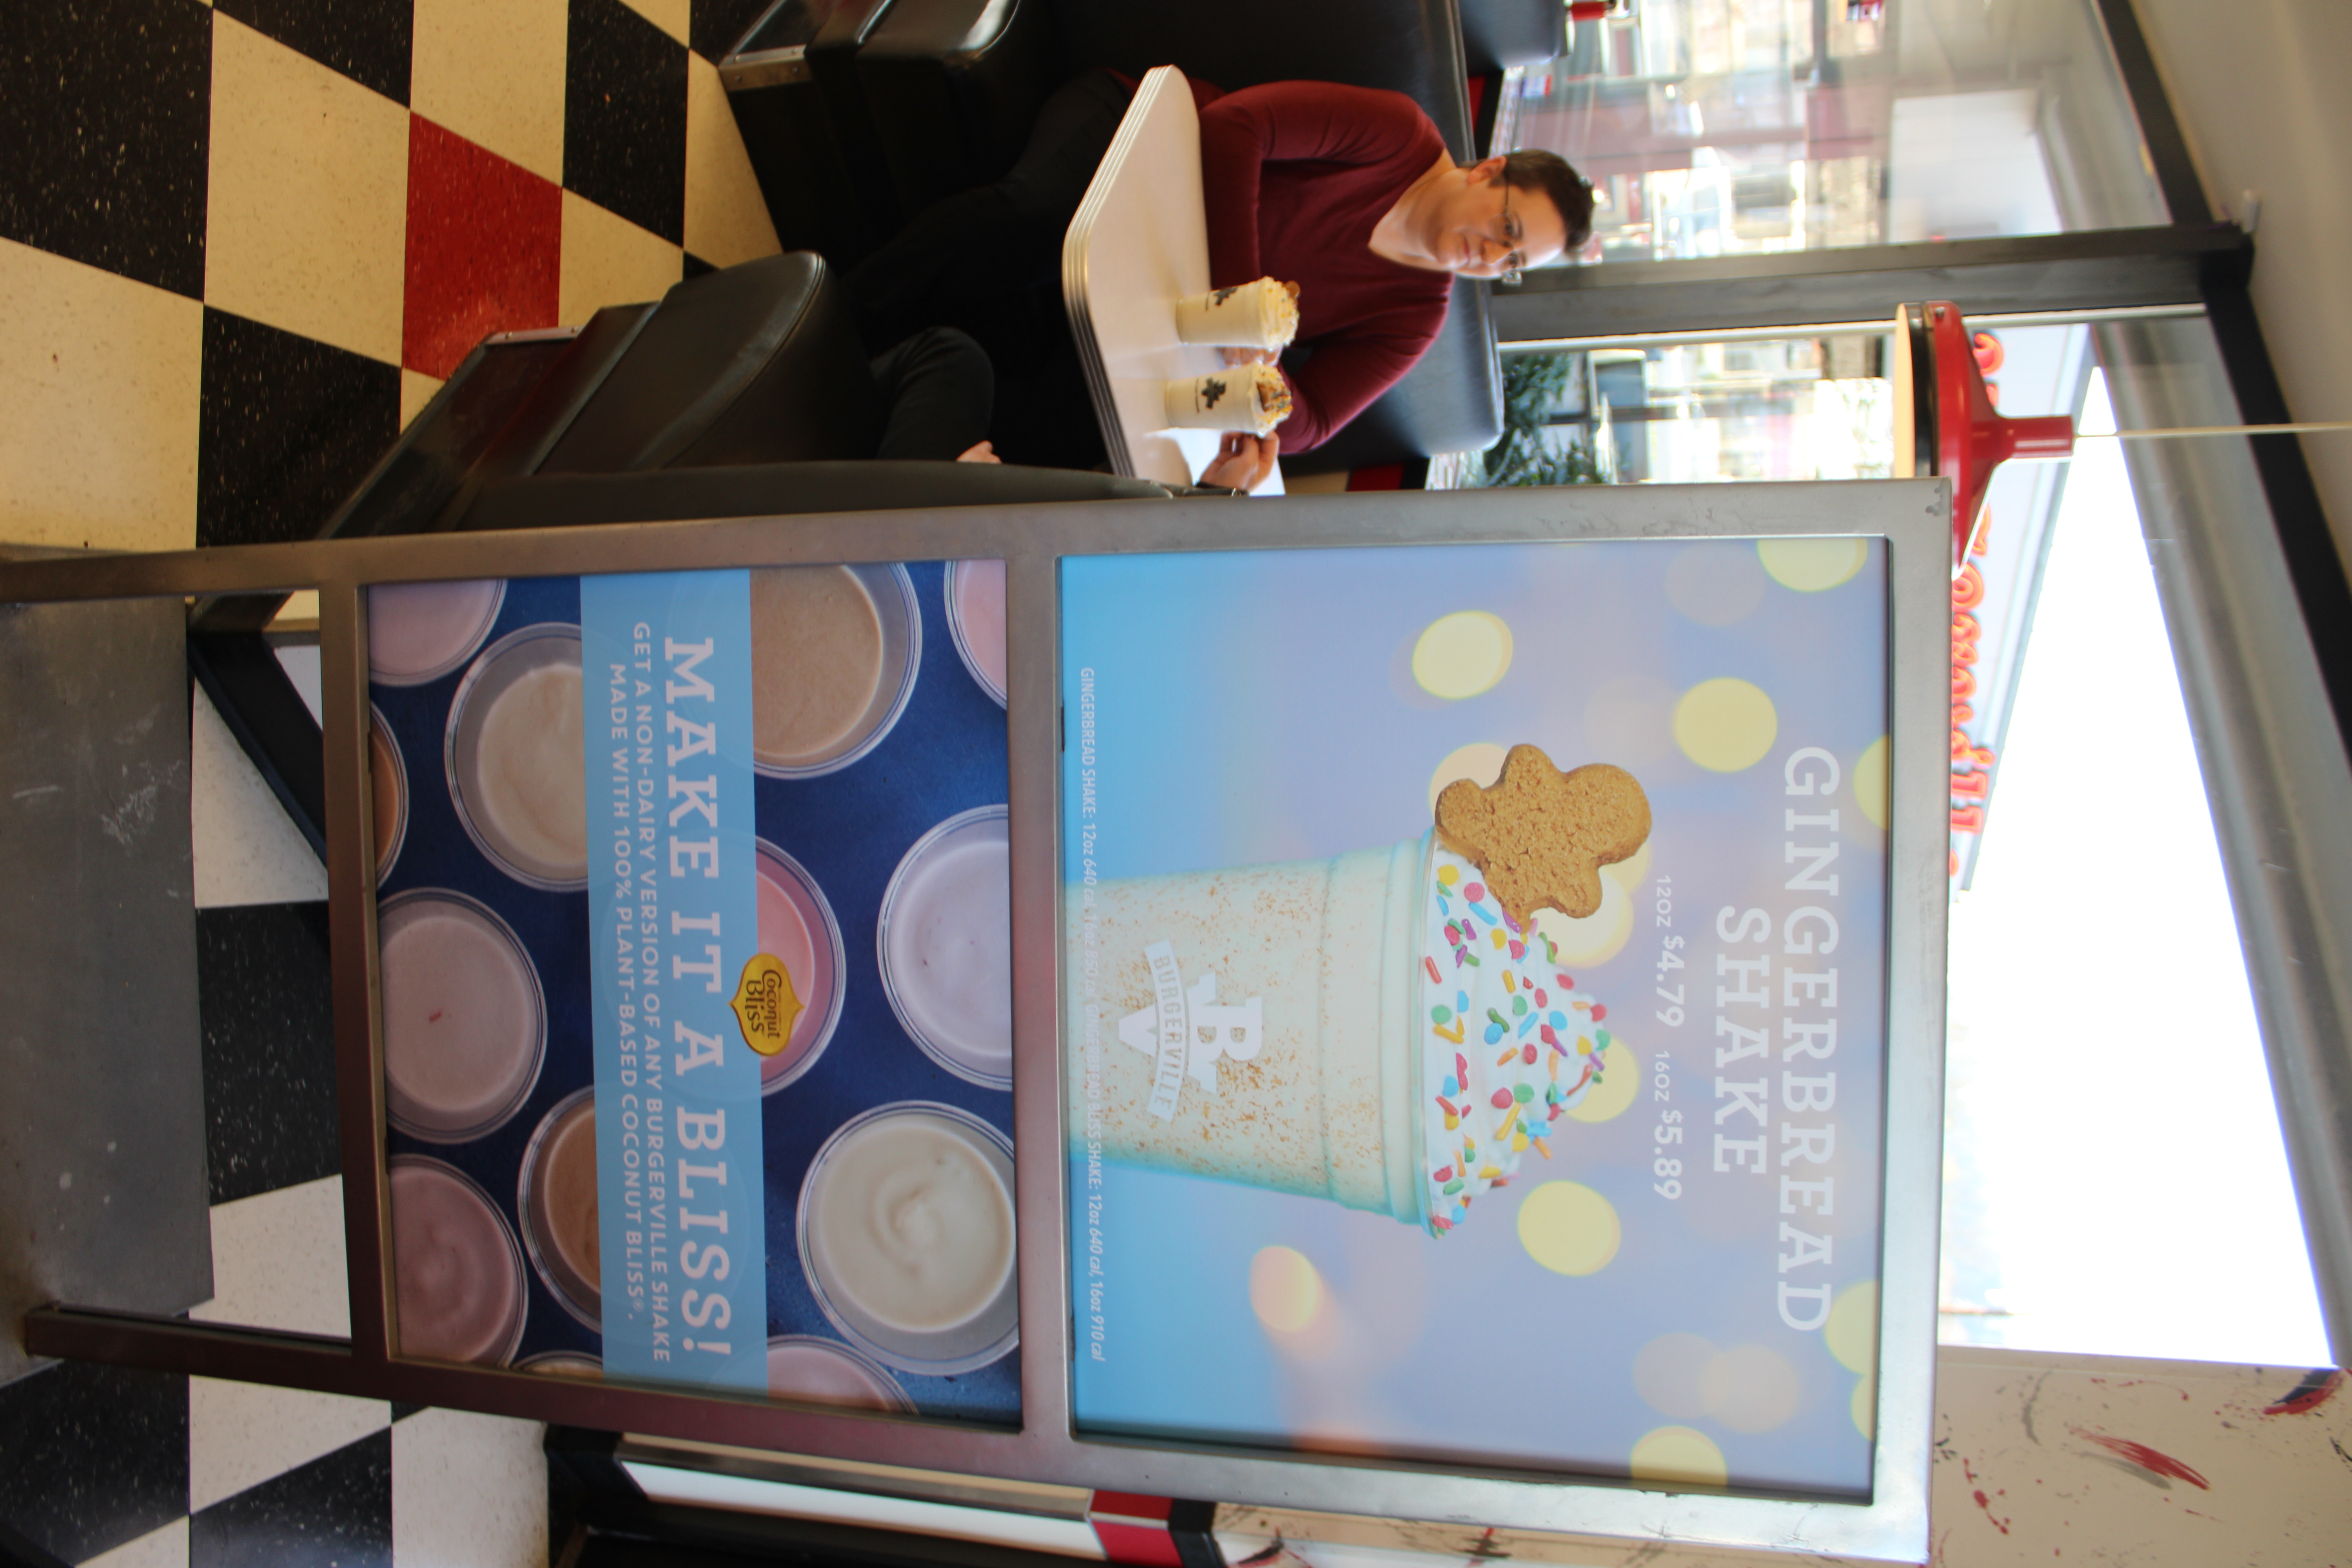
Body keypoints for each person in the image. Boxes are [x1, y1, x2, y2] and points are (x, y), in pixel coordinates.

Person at [844, 71, 1592, 469]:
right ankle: (837, 327)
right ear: (1488, 170)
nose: (1490, 256)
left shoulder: (1417, 312)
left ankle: (892, 449)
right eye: (1506, 229)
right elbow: (1236, 126)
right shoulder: (1399, 135)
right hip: (1137, 143)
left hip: (1156, 299)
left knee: (1090, 424)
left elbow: (1311, 422)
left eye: (1513, 262)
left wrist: (1260, 381)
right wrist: (1240, 304)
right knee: (1035, 223)